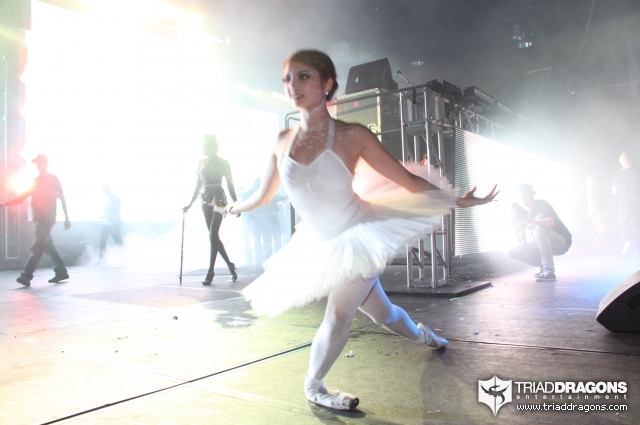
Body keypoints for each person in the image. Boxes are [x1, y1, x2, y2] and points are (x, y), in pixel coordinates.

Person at [226, 50, 497, 411]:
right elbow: (262, 196)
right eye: (287, 79)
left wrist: (456, 200)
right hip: (320, 244)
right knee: (384, 315)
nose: (293, 85)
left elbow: (408, 181)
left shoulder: (353, 135)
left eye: (304, 76)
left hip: (357, 234)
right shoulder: (282, 141)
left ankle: (313, 386)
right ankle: (425, 336)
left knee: (339, 314)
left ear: (327, 84)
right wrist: (234, 206)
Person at [0, 155, 70, 286]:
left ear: (45, 163)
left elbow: (61, 198)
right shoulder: (35, 182)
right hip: (39, 219)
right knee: (47, 245)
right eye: (37, 163)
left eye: (40, 162)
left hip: (46, 219)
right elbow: (22, 197)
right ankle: (61, 271)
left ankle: (26, 275)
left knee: (38, 246)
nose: (38, 165)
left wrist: (67, 217)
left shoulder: (53, 179)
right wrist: (5, 204)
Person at [183, 134, 238, 285]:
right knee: (213, 236)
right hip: (205, 200)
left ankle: (211, 271)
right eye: (204, 146)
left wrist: (236, 203)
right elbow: (198, 184)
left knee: (213, 233)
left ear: (214, 147)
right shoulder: (200, 162)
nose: (206, 149)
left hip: (220, 200)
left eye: (208, 146)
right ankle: (230, 265)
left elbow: (230, 184)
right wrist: (190, 203)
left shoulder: (224, 163)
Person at [507, 183, 572, 282]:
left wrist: (526, 220)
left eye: (525, 195)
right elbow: (521, 242)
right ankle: (542, 265)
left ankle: (549, 270)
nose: (523, 198)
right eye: (520, 196)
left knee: (539, 229)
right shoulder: (523, 213)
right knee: (512, 252)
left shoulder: (541, 205)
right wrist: (515, 224)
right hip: (543, 244)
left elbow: (550, 223)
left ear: (532, 195)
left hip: (561, 242)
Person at [612, 152, 640, 255]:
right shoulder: (637, 172)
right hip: (637, 204)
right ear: (630, 161)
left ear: (621, 162)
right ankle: (638, 249)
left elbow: (614, 192)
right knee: (637, 226)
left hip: (624, 204)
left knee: (623, 226)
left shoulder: (616, 174)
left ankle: (626, 241)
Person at [99, 185, 123, 257]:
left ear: (108, 190)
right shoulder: (108, 200)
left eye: (105, 191)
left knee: (118, 242)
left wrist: (108, 210)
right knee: (102, 242)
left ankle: (123, 257)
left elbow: (117, 210)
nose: (104, 193)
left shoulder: (115, 199)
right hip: (107, 224)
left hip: (114, 224)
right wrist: (104, 216)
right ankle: (101, 258)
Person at [585, 176, 603, 243]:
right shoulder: (591, 191)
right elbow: (591, 201)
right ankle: (597, 241)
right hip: (594, 211)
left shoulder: (588, 190)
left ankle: (589, 239)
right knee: (602, 227)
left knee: (598, 227)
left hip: (591, 211)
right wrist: (593, 211)